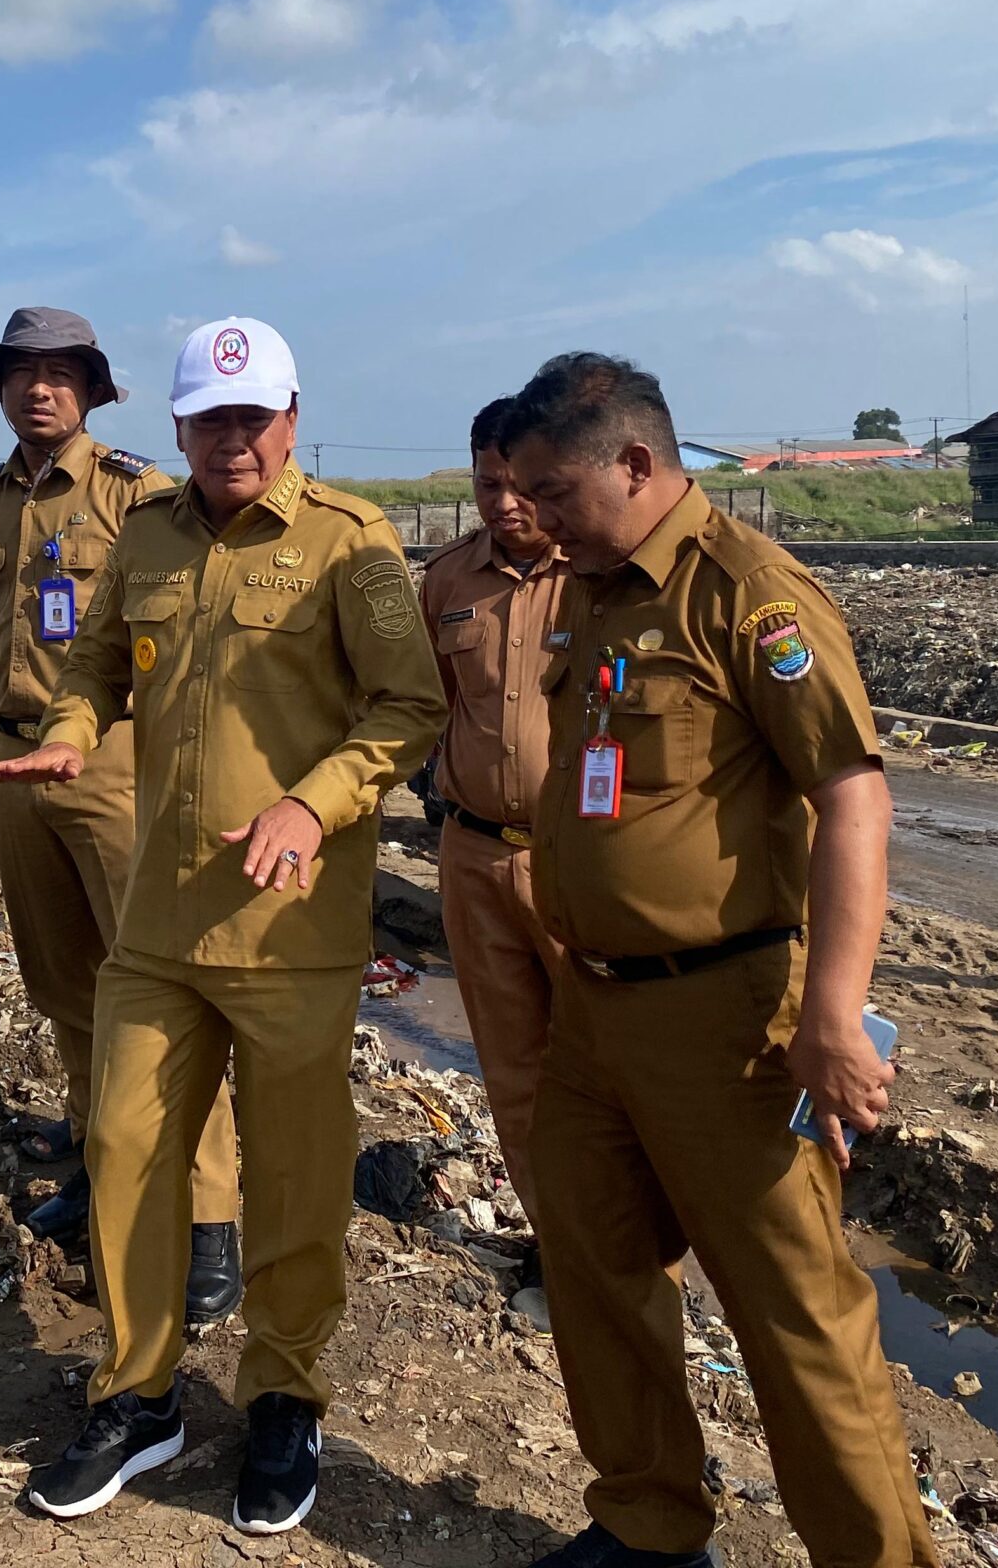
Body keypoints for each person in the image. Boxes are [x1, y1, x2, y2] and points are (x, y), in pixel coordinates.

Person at [0, 317, 444, 1537]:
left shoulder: (352, 543)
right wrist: (72, 735)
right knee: (128, 1158)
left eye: (252, 419)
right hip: (158, 924)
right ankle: (139, 1394)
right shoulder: (145, 537)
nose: (231, 441)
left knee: (292, 1180)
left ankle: (285, 1396)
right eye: (208, 421)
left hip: (291, 928)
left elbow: (409, 707)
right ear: (179, 427)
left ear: (292, 419)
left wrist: (315, 801)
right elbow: (92, 669)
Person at [497, 352, 937, 1568]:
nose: (530, 516)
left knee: (794, 1315)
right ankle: (647, 1525)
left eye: (552, 491)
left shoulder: (749, 594)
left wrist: (833, 1019)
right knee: (593, 1272)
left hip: (725, 1019)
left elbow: (852, 798)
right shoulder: (592, 584)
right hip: (592, 1011)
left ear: (635, 464)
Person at [0, 307, 244, 1322]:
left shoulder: (138, 495)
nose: (38, 390)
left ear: (91, 389)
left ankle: (208, 1221)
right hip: (12, 759)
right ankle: (94, 1163)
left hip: (117, 762)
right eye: (20, 374)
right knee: (67, 985)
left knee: (160, 987)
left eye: (59, 373)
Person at [416, 395, 573, 1324]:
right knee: (512, 1073)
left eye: (520, 485)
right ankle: (558, 1252)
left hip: (578, 866)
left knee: (601, 1069)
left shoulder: (598, 575)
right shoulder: (445, 585)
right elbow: (424, 709)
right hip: (474, 858)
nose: (505, 504)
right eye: (487, 485)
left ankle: (631, 1256)